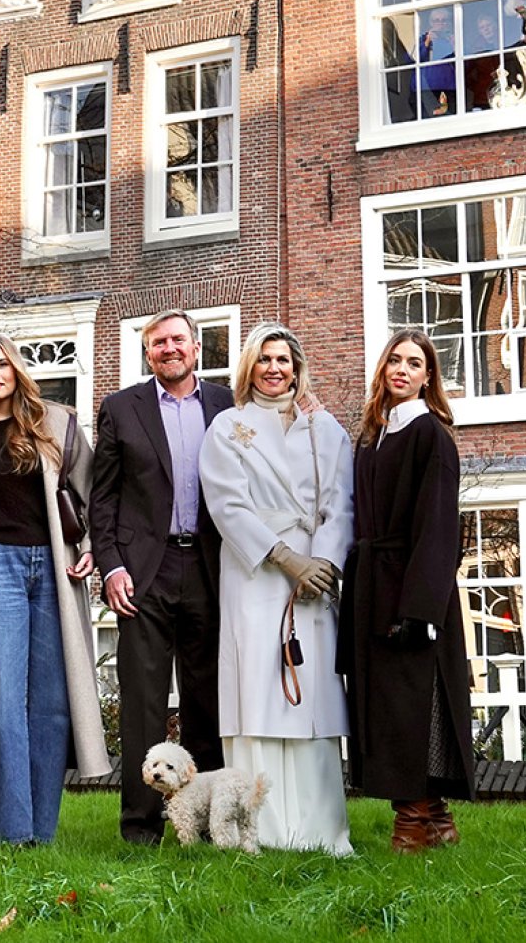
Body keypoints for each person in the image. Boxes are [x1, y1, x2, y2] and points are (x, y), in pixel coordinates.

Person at [0, 333, 111, 844]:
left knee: (52, 702)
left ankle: (41, 829)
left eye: (2, 364)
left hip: (55, 568)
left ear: (17, 369)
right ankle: (4, 831)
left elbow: (94, 495)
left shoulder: (56, 423)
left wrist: (91, 551)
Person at [199, 324, 354, 855]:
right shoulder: (228, 427)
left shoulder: (324, 427)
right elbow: (227, 504)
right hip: (257, 573)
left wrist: (323, 565)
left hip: (315, 579)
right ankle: (258, 830)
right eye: (264, 358)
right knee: (259, 693)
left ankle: (320, 831)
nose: (274, 368)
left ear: (297, 365)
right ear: (249, 366)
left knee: (310, 696)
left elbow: (342, 502)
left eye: (284, 359)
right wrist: (286, 560)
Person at [90, 308, 234, 845]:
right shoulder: (121, 408)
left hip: (209, 567)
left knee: (208, 700)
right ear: (147, 353)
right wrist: (112, 566)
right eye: (157, 343)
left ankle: (206, 823)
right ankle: (140, 829)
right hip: (142, 574)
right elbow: (100, 499)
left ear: (196, 348)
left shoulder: (226, 405)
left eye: (178, 340)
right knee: (143, 705)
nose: (168, 348)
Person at [337, 329, 475, 853]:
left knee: (414, 706)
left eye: (414, 363)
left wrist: (419, 607)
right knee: (385, 707)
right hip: (371, 583)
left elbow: (439, 525)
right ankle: (436, 817)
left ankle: (413, 820)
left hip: (413, 589)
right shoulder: (372, 434)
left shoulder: (431, 434)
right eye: (394, 360)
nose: (402, 369)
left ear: (428, 377)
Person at [418, 6, 457, 117]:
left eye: (444, 20)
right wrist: (427, 43)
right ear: (431, 23)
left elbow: (467, 64)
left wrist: (455, 46)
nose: (440, 24)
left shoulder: (454, 39)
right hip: (428, 88)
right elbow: (412, 60)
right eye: (436, 21)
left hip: (451, 86)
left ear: (449, 23)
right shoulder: (424, 39)